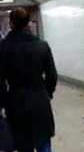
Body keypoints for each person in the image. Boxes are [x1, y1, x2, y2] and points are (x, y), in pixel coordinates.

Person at [0, 8, 57, 152]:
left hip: (15, 101)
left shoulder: (3, 48)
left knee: (23, 143)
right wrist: (47, 93)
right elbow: (52, 75)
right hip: (39, 98)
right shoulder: (42, 45)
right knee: (43, 141)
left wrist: (4, 102)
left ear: (11, 24)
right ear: (28, 24)